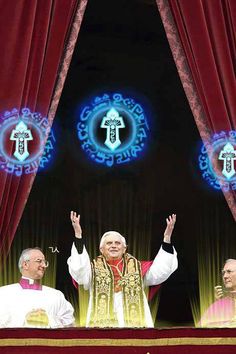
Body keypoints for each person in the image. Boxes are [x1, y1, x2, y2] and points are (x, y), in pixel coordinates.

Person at [67, 211, 178, 328]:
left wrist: (166, 239)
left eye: (117, 243)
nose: (114, 246)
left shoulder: (138, 268)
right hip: (100, 326)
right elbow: (79, 272)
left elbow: (160, 272)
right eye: (109, 243)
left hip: (135, 326)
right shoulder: (92, 270)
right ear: (101, 249)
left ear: (124, 249)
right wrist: (78, 236)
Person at [0, 247, 75, 328]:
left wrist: (49, 320)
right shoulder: (4, 293)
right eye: (39, 261)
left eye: (44, 262)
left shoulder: (56, 295)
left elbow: (69, 323)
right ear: (25, 265)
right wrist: (26, 319)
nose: (43, 265)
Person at [200, 259, 236, 327]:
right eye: (223, 273)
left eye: (229, 272)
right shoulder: (221, 302)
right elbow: (202, 327)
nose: (225, 276)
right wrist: (219, 304)